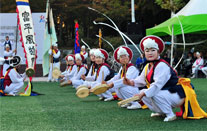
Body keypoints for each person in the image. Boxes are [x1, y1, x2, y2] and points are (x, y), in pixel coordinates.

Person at [123, 35, 205, 122]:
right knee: (144, 92)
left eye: (153, 50)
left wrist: (143, 94)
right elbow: (141, 80)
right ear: (144, 53)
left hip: (177, 94)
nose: (150, 53)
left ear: (158, 52)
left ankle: (170, 114)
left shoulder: (162, 65)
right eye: (147, 51)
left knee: (151, 93)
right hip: (167, 92)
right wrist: (130, 82)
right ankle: (162, 112)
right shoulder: (148, 66)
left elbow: (157, 85)